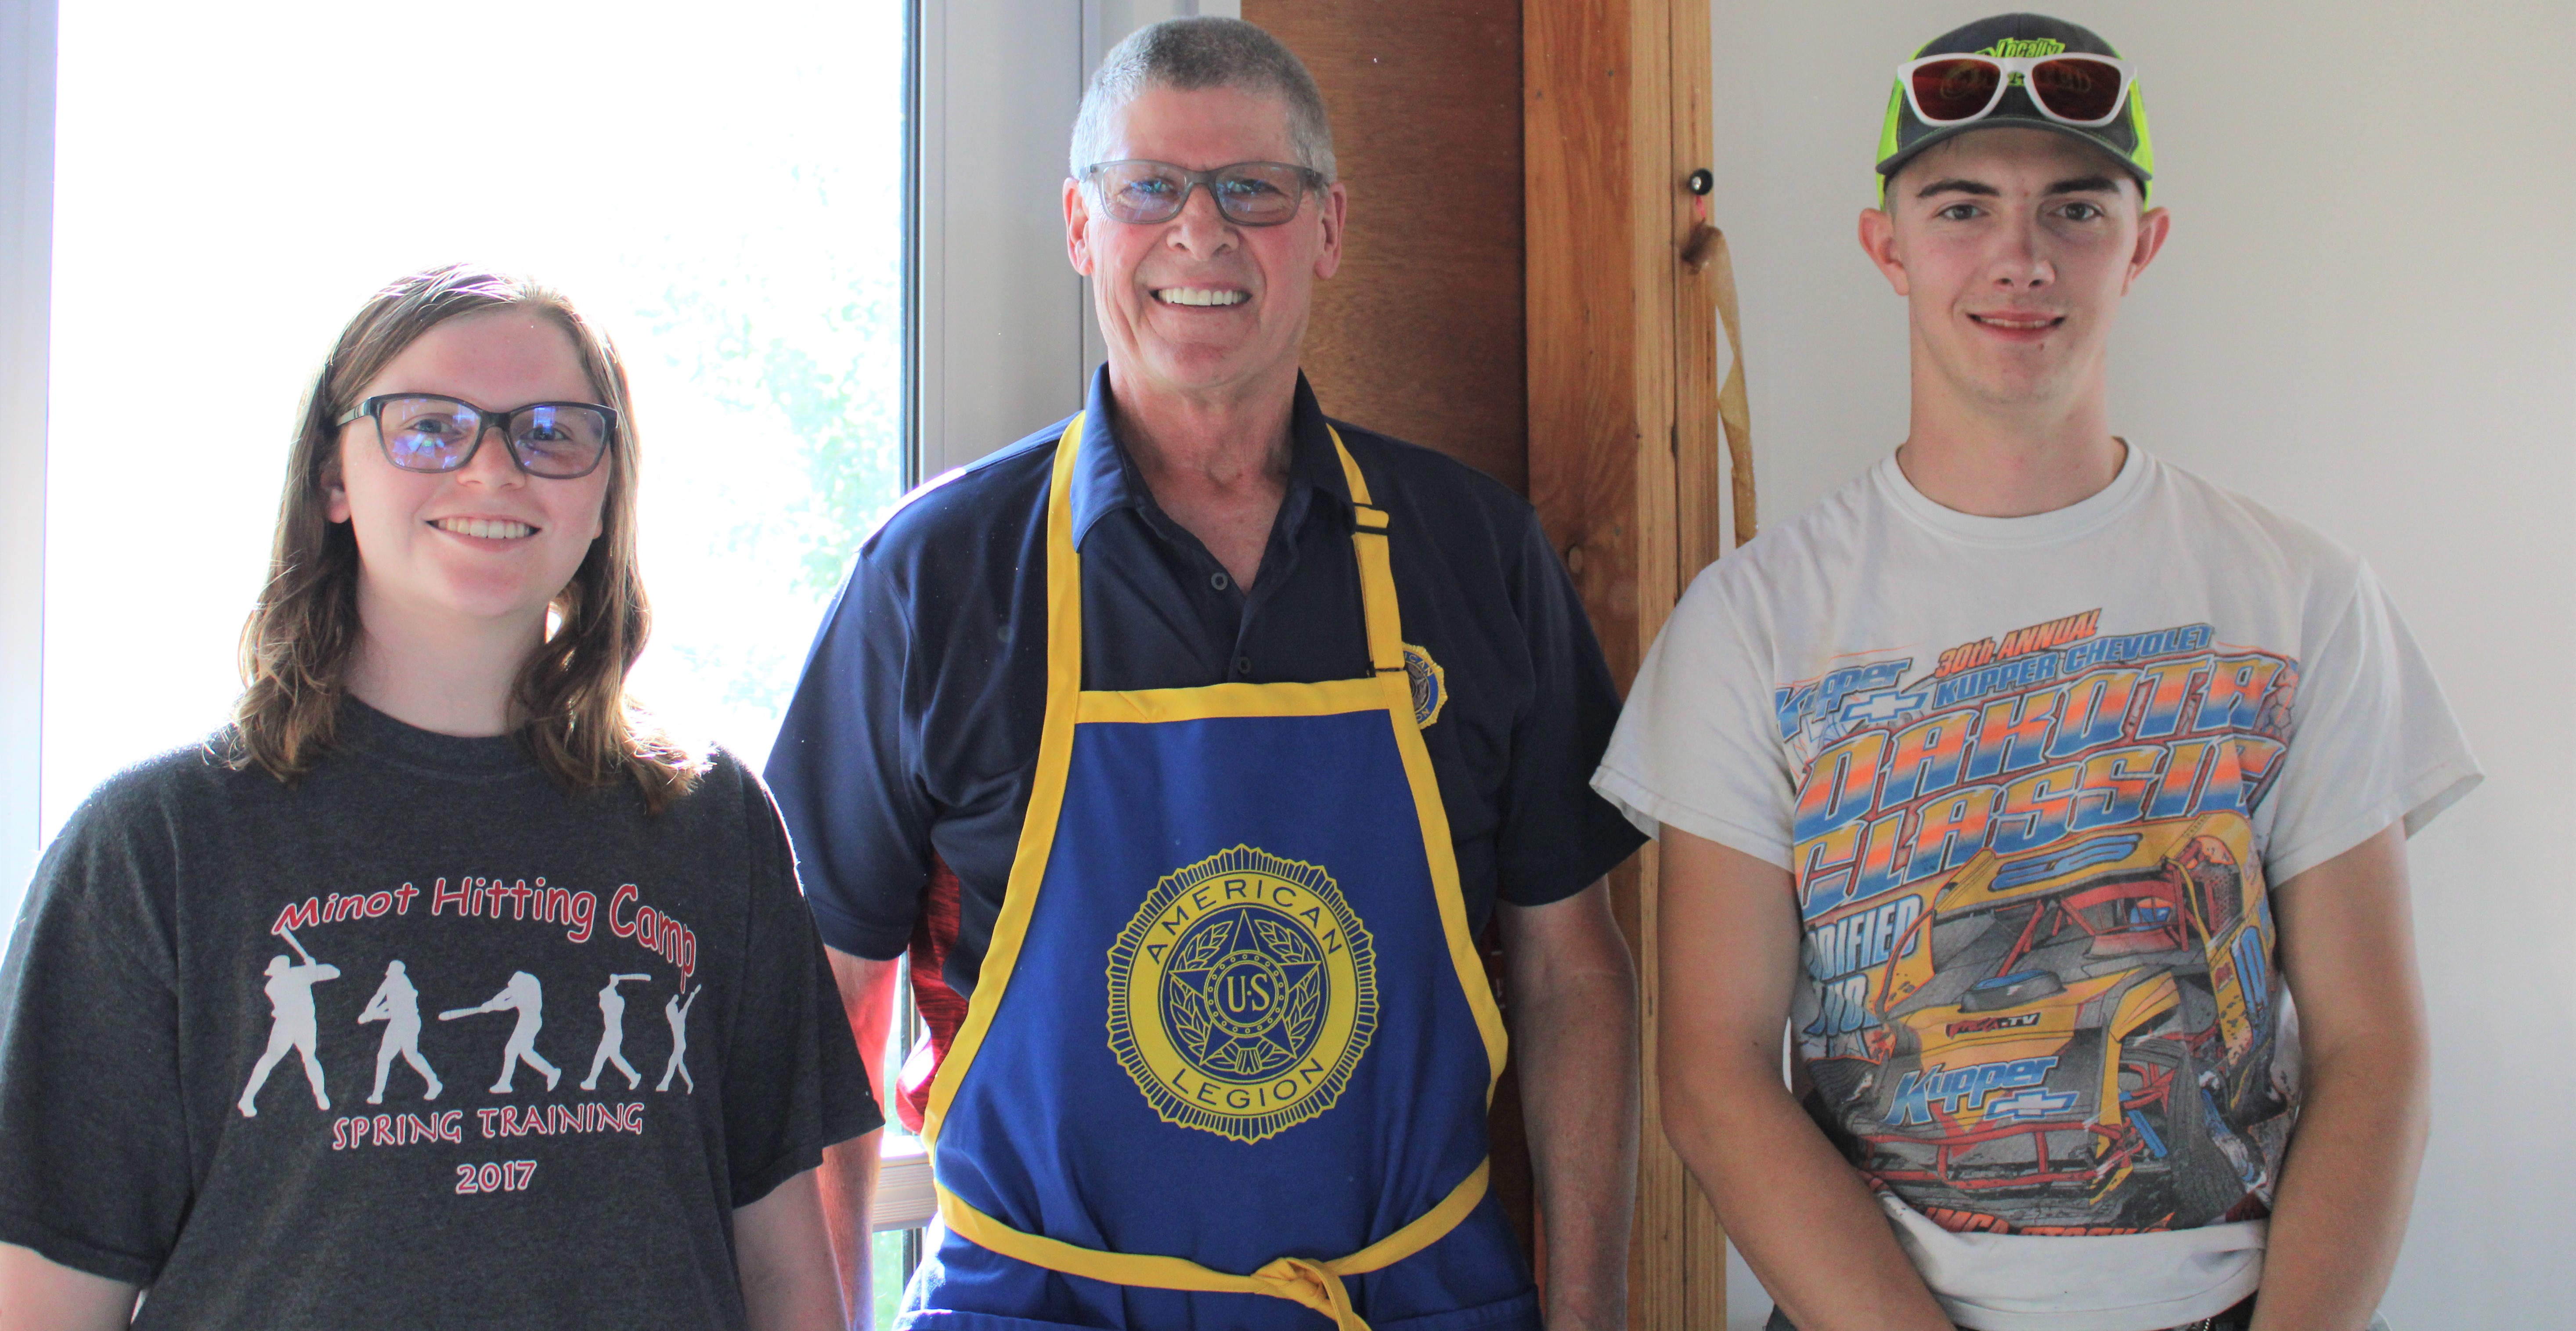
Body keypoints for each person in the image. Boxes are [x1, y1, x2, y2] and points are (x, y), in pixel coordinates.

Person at [1594, 14, 2480, 1331]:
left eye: (2073, 208)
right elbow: (1713, 1073)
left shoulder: (2299, 598)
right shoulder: (1749, 625)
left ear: (2143, 243)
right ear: (1883, 244)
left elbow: (2371, 1048)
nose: (2017, 257)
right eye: (1961, 206)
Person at [766, 16, 1643, 1331]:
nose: (1200, 233)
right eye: (1148, 189)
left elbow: (1573, 973)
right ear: (1080, 225)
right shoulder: (930, 574)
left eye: (1253, 190)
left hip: (1413, 1296)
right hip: (1039, 1302)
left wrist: (1590, 1313)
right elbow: (818, 1016)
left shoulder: (1475, 553)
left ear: (1329, 227)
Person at [0, 264, 877, 1331]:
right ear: (333, 477)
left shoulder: (708, 819)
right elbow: (43, 1302)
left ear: (605, 491)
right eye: (428, 428)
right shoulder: (154, 848)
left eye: (552, 431)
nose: (493, 469)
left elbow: (786, 1274)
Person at [359, 959, 443, 1104]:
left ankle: (434, 1083)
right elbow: (380, 999)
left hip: (407, 1022)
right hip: (398, 1023)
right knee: (384, 1057)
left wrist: (371, 1016)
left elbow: (390, 1009)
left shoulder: (402, 983)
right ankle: (377, 1095)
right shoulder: (391, 982)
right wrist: (369, 1013)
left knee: (411, 1055)